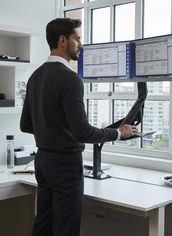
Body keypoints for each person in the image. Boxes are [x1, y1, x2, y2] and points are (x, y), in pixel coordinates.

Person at [20, 18, 139, 236]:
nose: (81, 45)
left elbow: (26, 124)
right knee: (66, 230)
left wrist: (50, 131)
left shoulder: (35, 77)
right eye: (78, 38)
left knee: (43, 225)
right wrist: (118, 133)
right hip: (65, 165)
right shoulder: (70, 78)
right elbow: (82, 132)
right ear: (63, 40)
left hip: (43, 162)